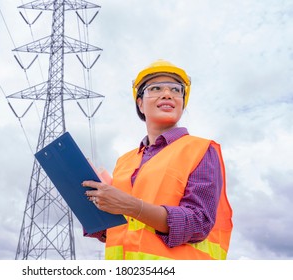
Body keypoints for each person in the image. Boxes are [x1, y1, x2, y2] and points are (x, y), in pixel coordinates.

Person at [82, 59, 233, 260]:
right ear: (140, 103)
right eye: (156, 88)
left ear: (182, 103)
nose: (167, 94)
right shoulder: (124, 162)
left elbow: (199, 223)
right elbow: (123, 230)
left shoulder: (200, 150)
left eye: (176, 90)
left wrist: (132, 206)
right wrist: (95, 209)